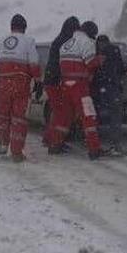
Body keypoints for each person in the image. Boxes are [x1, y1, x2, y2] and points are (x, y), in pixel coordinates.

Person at [0, 14, 41, 163]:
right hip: (20, 85)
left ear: (11, 27)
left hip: (3, 84)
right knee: (19, 119)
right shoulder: (29, 41)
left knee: (2, 115)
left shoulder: (1, 41)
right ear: (24, 27)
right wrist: (38, 81)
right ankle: (16, 153)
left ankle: (2, 144)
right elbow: (34, 63)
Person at [51, 21, 106, 160]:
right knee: (88, 116)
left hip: (65, 85)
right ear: (91, 32)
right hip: (80, 87)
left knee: (64, 117)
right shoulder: (87, 42)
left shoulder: (65, 44)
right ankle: (94, 149)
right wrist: (100, 60)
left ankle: (55, 145)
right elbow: (89, 62)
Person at [43, 16, 80, 154]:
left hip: (50, 80)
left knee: (57, 112)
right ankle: (55, 144)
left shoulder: (58, 40)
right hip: (57, 81)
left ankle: (50, 139)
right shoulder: (67, 42)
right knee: (63, 114)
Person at [94, 34, 127, 157]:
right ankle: (115, 145)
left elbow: (93, 69)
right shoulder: (115, 50)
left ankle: (95, 145)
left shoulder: (95, 52)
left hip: (98, 90)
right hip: (113, 87)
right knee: (115, 117)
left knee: (96, 117)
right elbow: (122, 68)